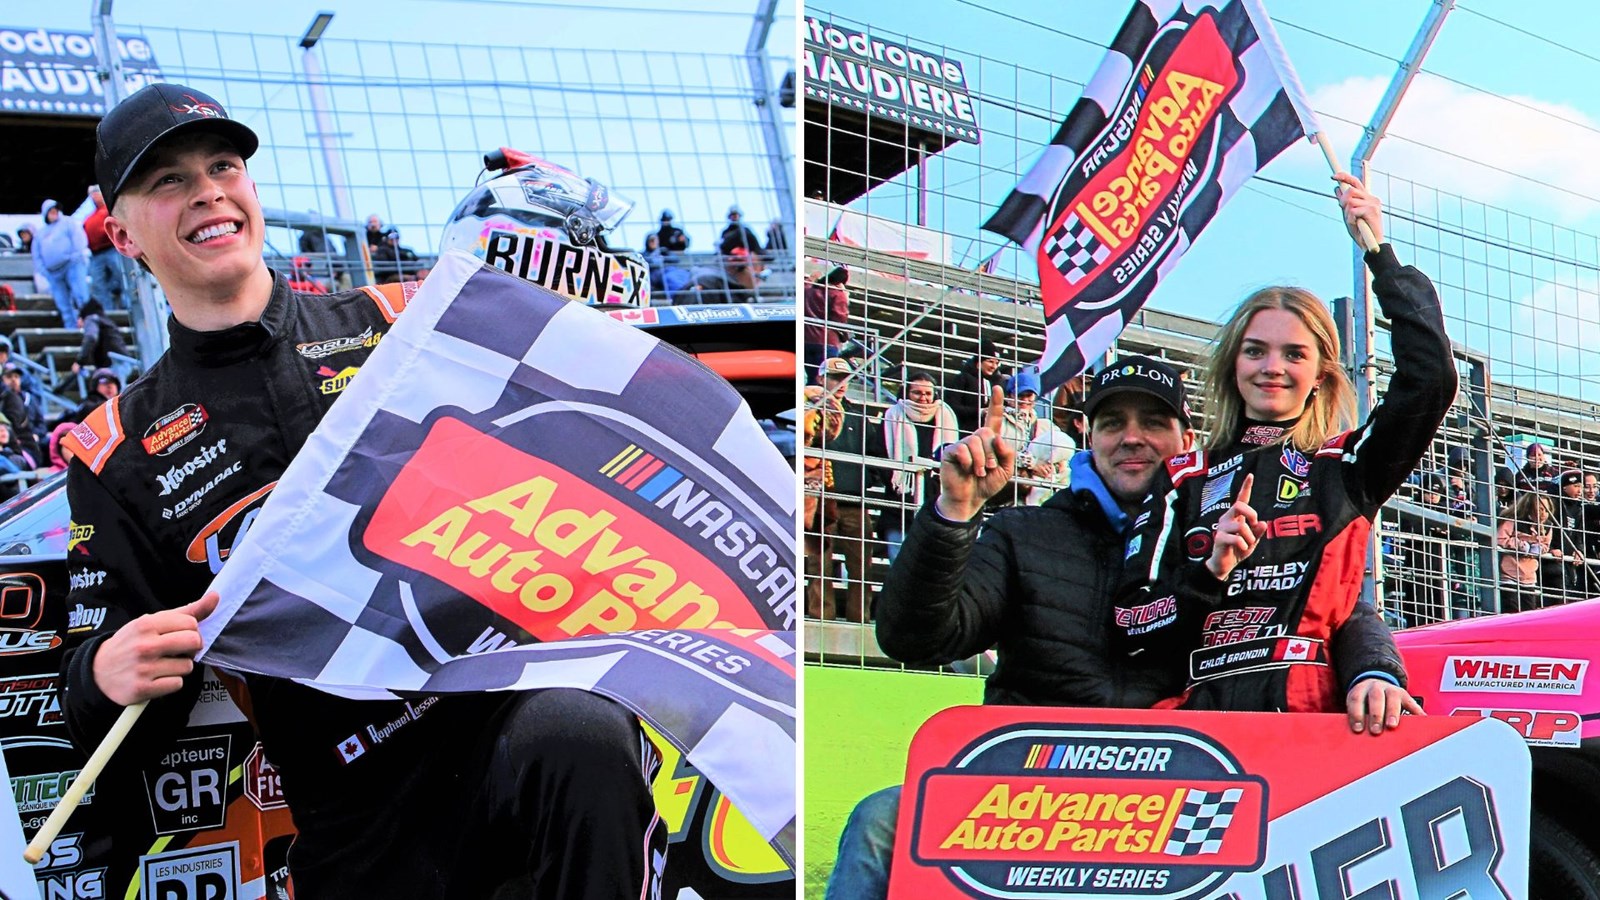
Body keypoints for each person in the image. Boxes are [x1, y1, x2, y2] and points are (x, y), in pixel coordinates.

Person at [59, 82, 664, 899]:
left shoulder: (406, 321)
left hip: (505, 716)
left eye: (223, 164)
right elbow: (97, 694)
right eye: (168, 179)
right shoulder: (116, 451)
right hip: (356, 810)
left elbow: (580, 436)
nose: (206, 188)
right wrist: (105, 672)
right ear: (121, 232)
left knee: (582, 732)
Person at [825, 356, 1198, 899]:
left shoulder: (1220, 537)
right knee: (881, 821)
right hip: (1023, 788)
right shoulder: (1023, 531)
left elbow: (1335, 611)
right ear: (1086, 435)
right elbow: (913, 639)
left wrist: (1371, 669)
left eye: (1154, 423)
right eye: (1113, 423)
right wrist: (954, 511)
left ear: (1186, 438)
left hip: (1175, 788)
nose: (1131, 438)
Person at [1113, 175, 1446, 729]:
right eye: (1255, 351)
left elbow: (1430, 378)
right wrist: (1210, 569)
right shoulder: (1181, 477)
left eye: (1294, 354)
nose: (1273, 367)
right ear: (1233, 367)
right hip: (1197, 727)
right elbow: (1130, 624)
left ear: (1320, 374)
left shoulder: (1346, 466)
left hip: (1311, 725)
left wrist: (1379, 255)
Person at [805, 356, 885, 623]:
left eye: (846, 379)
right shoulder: (807, 409)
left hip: (854, 501)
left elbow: (876, 454)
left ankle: (859, 619)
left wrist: (865, 480)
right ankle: (820, 619)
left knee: (862, 566)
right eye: (835, 378)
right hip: (819, 501)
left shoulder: (859, 415)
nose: (841, 384)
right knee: (820, 565)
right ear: (820, 379)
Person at [878, 371, 958, 561]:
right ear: (906, 393)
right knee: (898, 564)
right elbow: (880, 454)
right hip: (898, 504)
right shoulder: (892, 416)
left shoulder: (946, 417)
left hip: (937, 503)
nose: (923, 398)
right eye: (917, 393)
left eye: (928, 393)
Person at [987, 368, 1072, 509]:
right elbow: (993, 453)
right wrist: (1032, 464)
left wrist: (1056, 467)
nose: (1025, 400)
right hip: (1006, 493)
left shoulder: (1046, 425)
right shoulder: (999, 422)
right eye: (1021, 396)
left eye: (1029, 396)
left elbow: (1063, 453)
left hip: (1038, 498)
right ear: (1009, 397)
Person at [33, 198, 89, 327]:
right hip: (53, 273)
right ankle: (71, 330)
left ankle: (90, 327)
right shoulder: (40, 234)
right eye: (50, 211)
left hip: (72, 266)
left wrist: (75, 257)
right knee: (63, 304)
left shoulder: (68, 223)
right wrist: (44, 271)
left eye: (55, 210)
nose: (53, 213)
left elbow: (79, 242)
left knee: (81, 297)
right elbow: (37, 256)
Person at [1499, 491, 1554, 613]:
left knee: (1529, 613)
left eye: (1546, 510)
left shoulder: (1548, 525)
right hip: (1509, 575)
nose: (1543, 514)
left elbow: (1546, 545)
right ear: (1529, 507)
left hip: (1529, 578)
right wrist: (1520, 545)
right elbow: (1500, 539)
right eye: (1539, 509)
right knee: (1511, 612)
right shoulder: (1513, 519)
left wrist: (1539, 548)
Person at [84, 185, 129, 311]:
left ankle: (127, 305)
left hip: (112, 249)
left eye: (96, 192)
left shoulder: (111, 209)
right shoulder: (91, 216)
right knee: (98, 283)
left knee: (121, 276)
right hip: (96, 253)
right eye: (92, 194)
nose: (94, 196)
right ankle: (107, 310)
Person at [945, 339, 1004, 434]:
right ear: (979, 362)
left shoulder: (998, 383)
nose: (994, 366)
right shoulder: (962, 379)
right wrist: (979, 412)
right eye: (990, 361)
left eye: (997, 363)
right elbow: (952, 406)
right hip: (965, 432)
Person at [803, 266, 850, 383]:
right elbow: (840, 319)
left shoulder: (807, 290)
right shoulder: (837, 294)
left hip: (806, 338)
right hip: (827, 341)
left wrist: (811, 280)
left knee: (811, 377)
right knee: (825, 379)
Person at [73, 299, 132, 382]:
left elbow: (91, 337)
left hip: (114, 362)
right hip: (121, 361)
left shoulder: (91, 319)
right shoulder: (104, 320)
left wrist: (80, 362)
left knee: (114, 392)